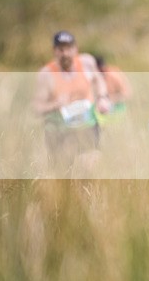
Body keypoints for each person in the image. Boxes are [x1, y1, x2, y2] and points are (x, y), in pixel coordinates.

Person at [33, 31, 111, 174]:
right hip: (59, 131)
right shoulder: (46, 74)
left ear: (76, 49)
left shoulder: (87, 63)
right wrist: (54, 105)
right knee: (62, 172)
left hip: (87, 124)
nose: (65, 53)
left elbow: (99, 80)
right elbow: (37, 108)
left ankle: (88, 194)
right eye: (61, 49)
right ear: (54, 51)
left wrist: (102, 97)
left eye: (69, 48)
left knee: (91, 162)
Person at [94, 54, 131, 121]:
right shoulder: (96, 77)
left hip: (117, 107)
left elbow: (127, 93)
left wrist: (110, 99)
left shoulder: (113, 75)